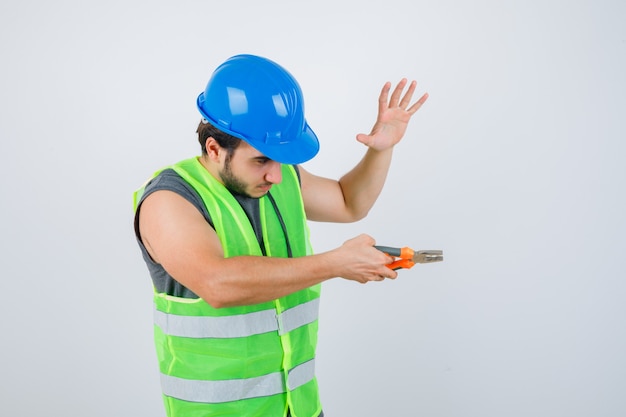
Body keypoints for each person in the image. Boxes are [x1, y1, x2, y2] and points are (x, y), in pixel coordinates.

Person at [133, 54, 428, 417]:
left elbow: (350, 203)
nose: (276, 175)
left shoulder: (279, 178)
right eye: (261, 160)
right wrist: (335, 263)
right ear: (214, 148)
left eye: (279, 159)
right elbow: (218, 284)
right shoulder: (170, 200)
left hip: (298, 407)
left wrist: (380, 150)